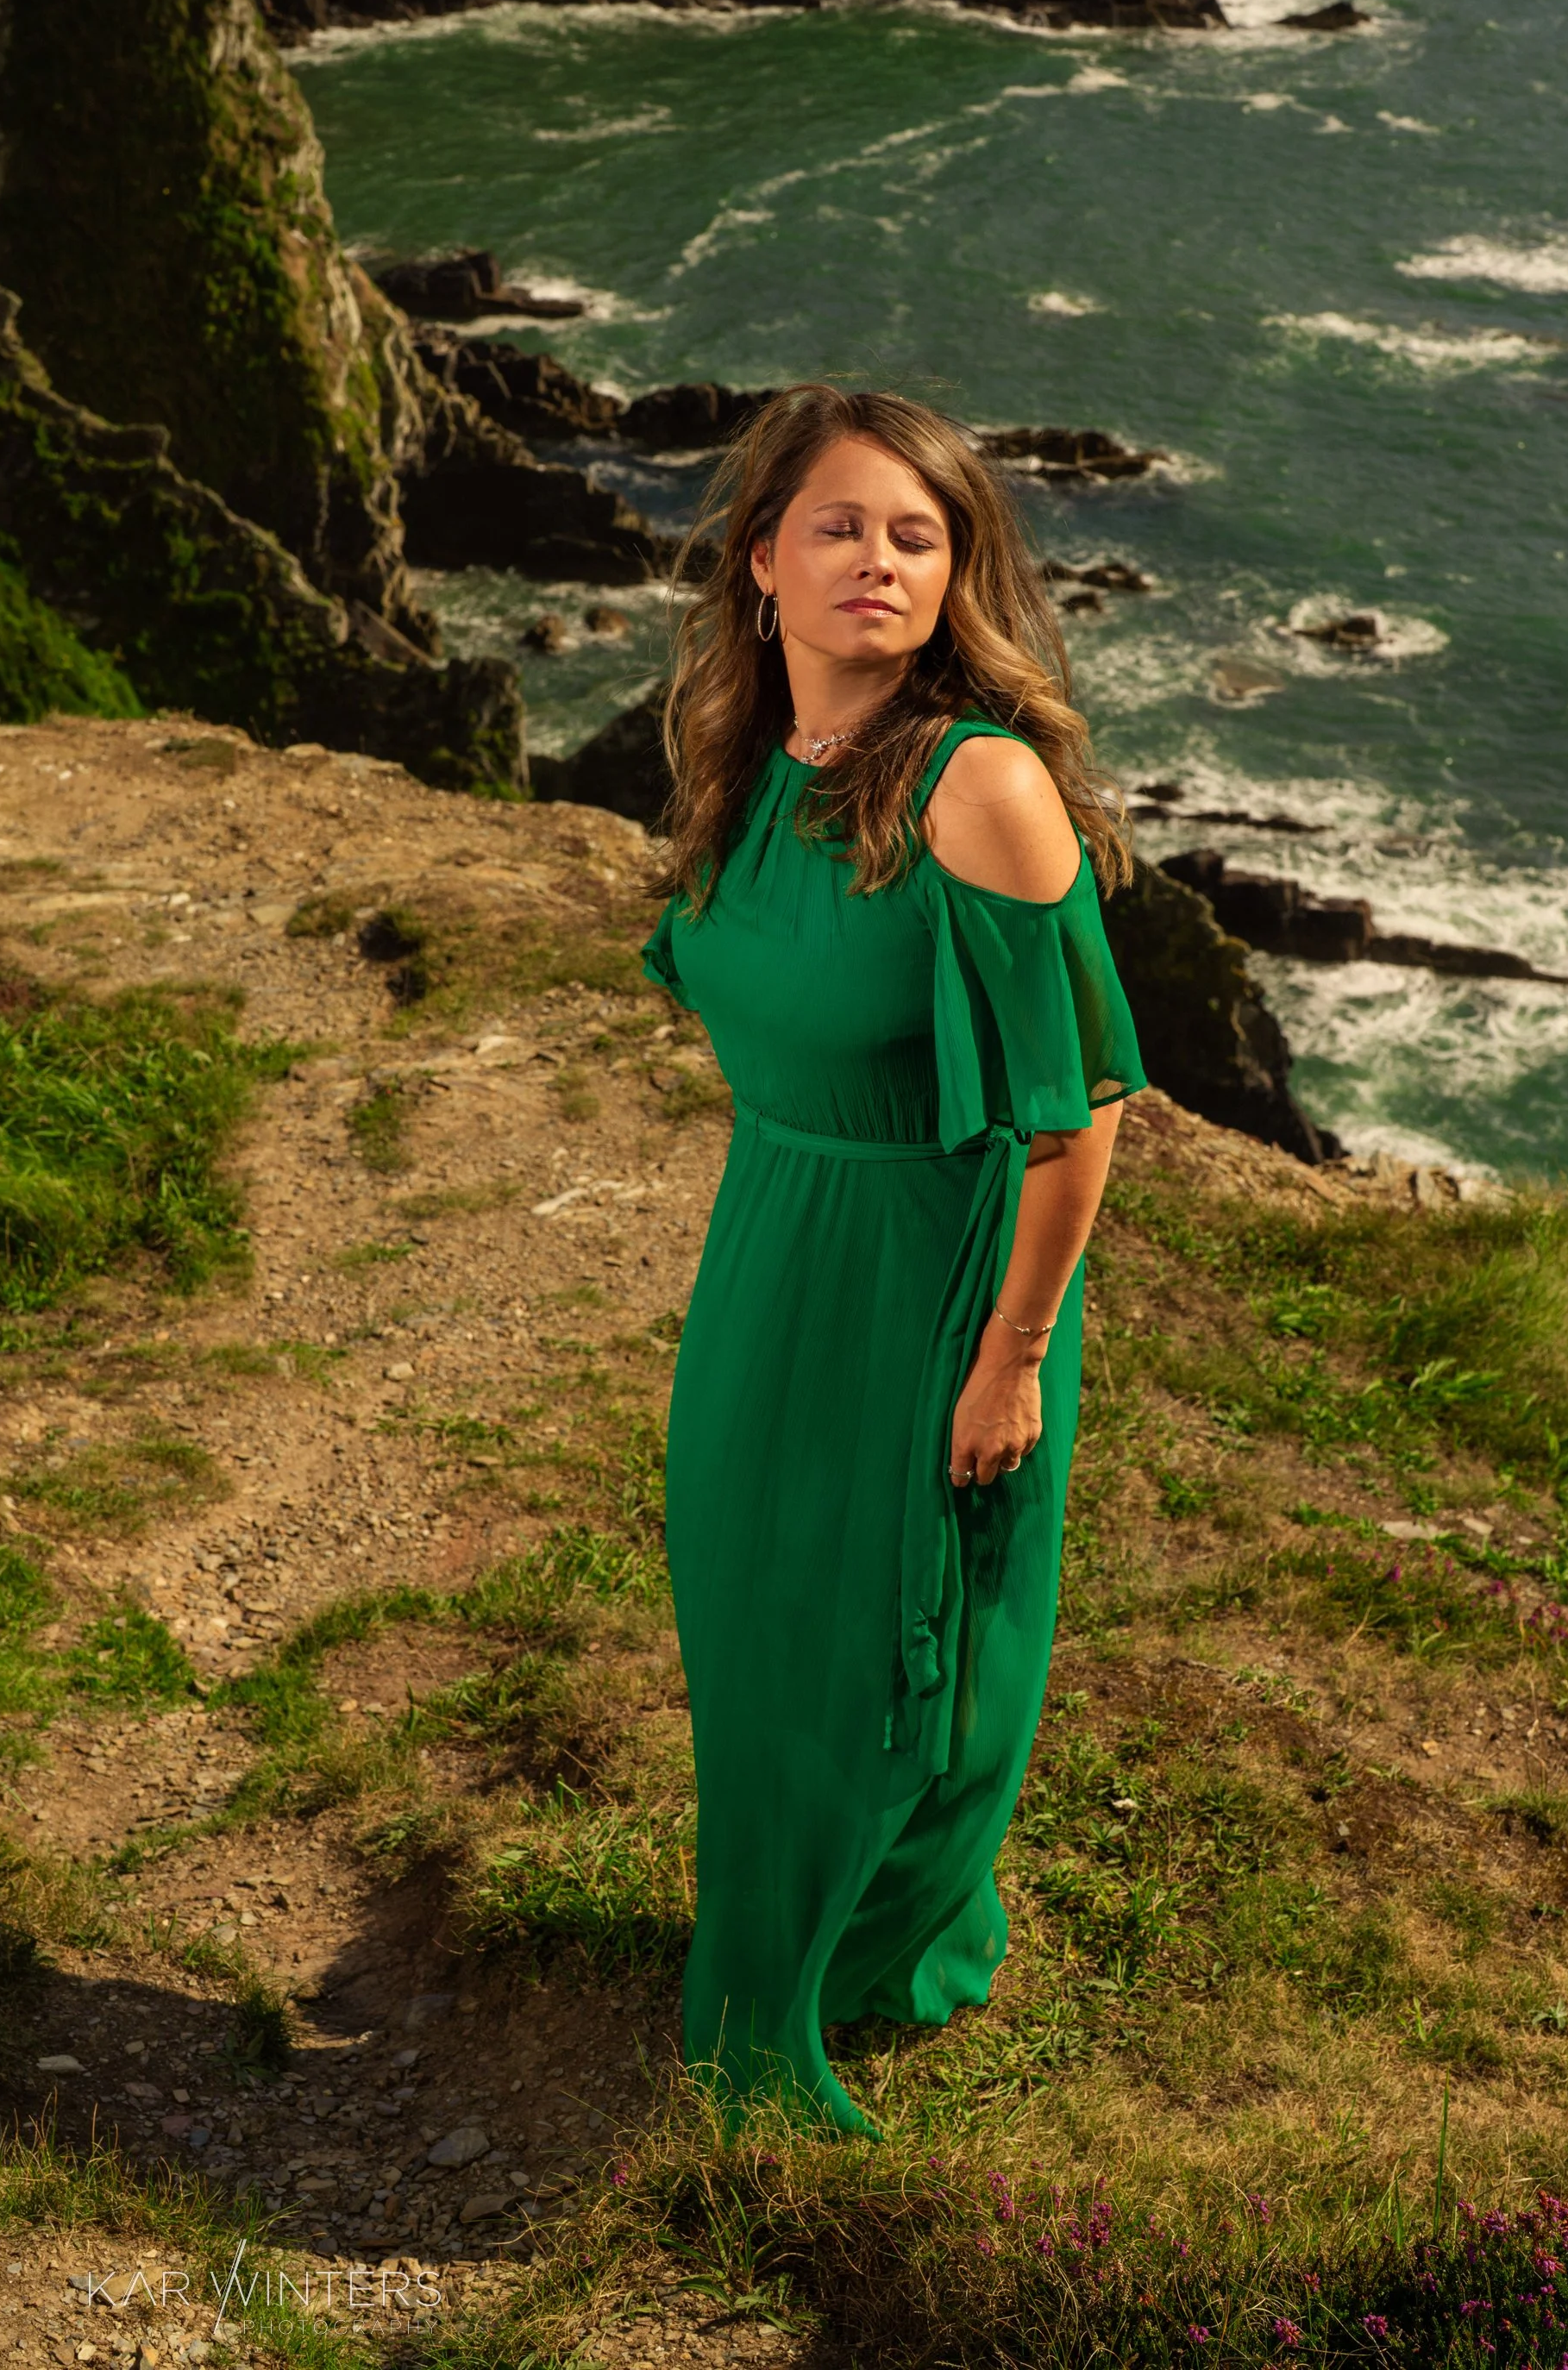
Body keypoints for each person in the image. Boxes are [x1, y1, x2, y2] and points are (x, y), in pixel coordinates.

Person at [642, 382, 1145, 2135]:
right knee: (759, 1626)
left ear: (955, 581)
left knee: (895, 1650)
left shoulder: (979, 789)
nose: (877, 560)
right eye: (841, 526)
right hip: (772, 1250)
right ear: (762, 560)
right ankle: (828, 1939)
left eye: (917, 536)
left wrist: (1007, 1355)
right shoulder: (739, 761)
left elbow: (1076, 1118)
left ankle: (817, 1995)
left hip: (934, 1286)